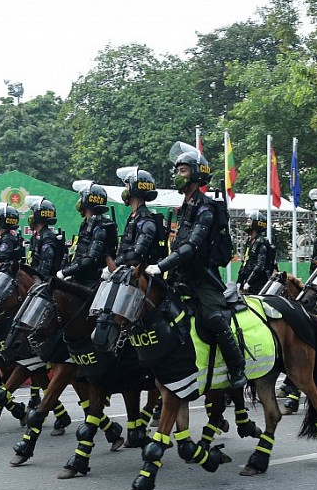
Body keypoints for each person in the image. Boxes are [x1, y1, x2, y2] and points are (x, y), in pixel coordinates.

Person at [144, 143, 247, 389]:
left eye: (182, 171)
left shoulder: (206, 208)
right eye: (177, 170)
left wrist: (161, 265)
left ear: (196, 174)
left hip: (203, 278)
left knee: (214, 317)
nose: (177, 175)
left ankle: (237, 367)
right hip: (180, 278)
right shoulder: (185, 208)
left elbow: (191, 247)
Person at [58, 182, 115, 286]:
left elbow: (90, 258)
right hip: (81, 277)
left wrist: (65, 272)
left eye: (81, 197)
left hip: (92, 281)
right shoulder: (87, 224)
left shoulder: (101, 226)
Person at [113, 166, 163, 269]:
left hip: (140, 276)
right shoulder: (134, 217)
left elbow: (137, 252)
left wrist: (115, 265)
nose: (124, 191)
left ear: (134, 190)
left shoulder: (145, 221)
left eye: (126, 187)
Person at [27, 197, 65, 279]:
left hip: (47, 283)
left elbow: (45, 266)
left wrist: (36, 281)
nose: (30, 217)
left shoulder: (47, 238)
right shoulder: (37, 237)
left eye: (32, 214)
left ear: (38, 216)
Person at [237, 211, 271, 294]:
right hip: (247, 284)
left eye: (249, 221)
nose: (247, 224)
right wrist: (239, 281)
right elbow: (245, 263)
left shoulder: (261, 242)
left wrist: (249, 282)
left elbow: (260, 266)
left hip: (258, 285)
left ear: (255, 224)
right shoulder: (248, 242)